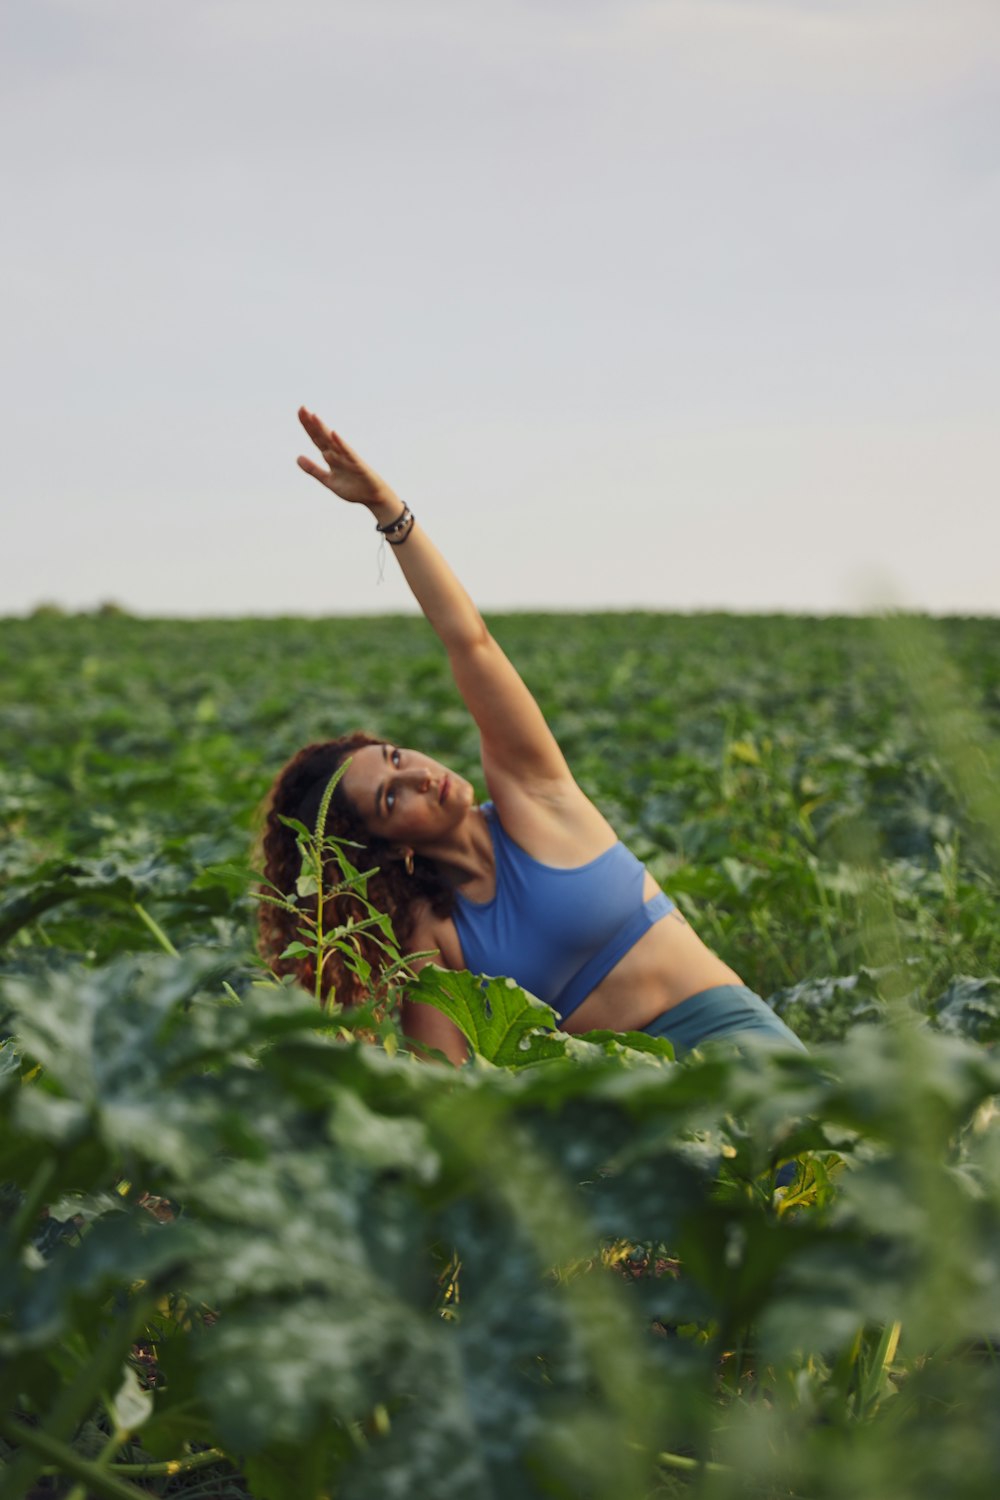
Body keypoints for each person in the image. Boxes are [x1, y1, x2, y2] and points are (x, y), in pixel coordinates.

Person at [259, 407, 806, 1066]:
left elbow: (472, 643)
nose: (416, 775)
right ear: (381, 845)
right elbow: (453, 1088)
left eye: (396, 757)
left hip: (742, 1050)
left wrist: (388, 511)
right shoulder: (435, 936)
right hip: (640, 1122)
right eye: (389, 799)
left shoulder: (534, 796)